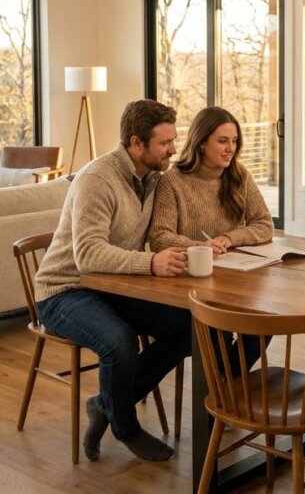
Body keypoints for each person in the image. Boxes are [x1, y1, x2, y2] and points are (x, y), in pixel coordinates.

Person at [33, 99, 191, 463]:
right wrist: (150, 263)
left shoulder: (153, 177)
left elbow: (165, 229)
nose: (173, 149)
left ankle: (105, 404)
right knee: (119, 343)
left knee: (189, 328)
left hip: (114, 286)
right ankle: (126, 427)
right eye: (165, 143)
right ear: (136, 144)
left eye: (174, 140)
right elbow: (87, 255)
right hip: (65, 289)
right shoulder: (97, 179)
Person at [149, 106, 274, 374]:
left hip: (235, 281)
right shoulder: (173, 181)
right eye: (222, 141)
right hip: (191, 282)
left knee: (263, 323)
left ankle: (225, 391)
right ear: (202, 142)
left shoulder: (239, 175)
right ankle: (224, 398)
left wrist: (229, 237)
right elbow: (159, 237)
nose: (231, 148)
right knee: (217, 331)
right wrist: (199, 246)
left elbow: (264, 225)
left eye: (235, 141)